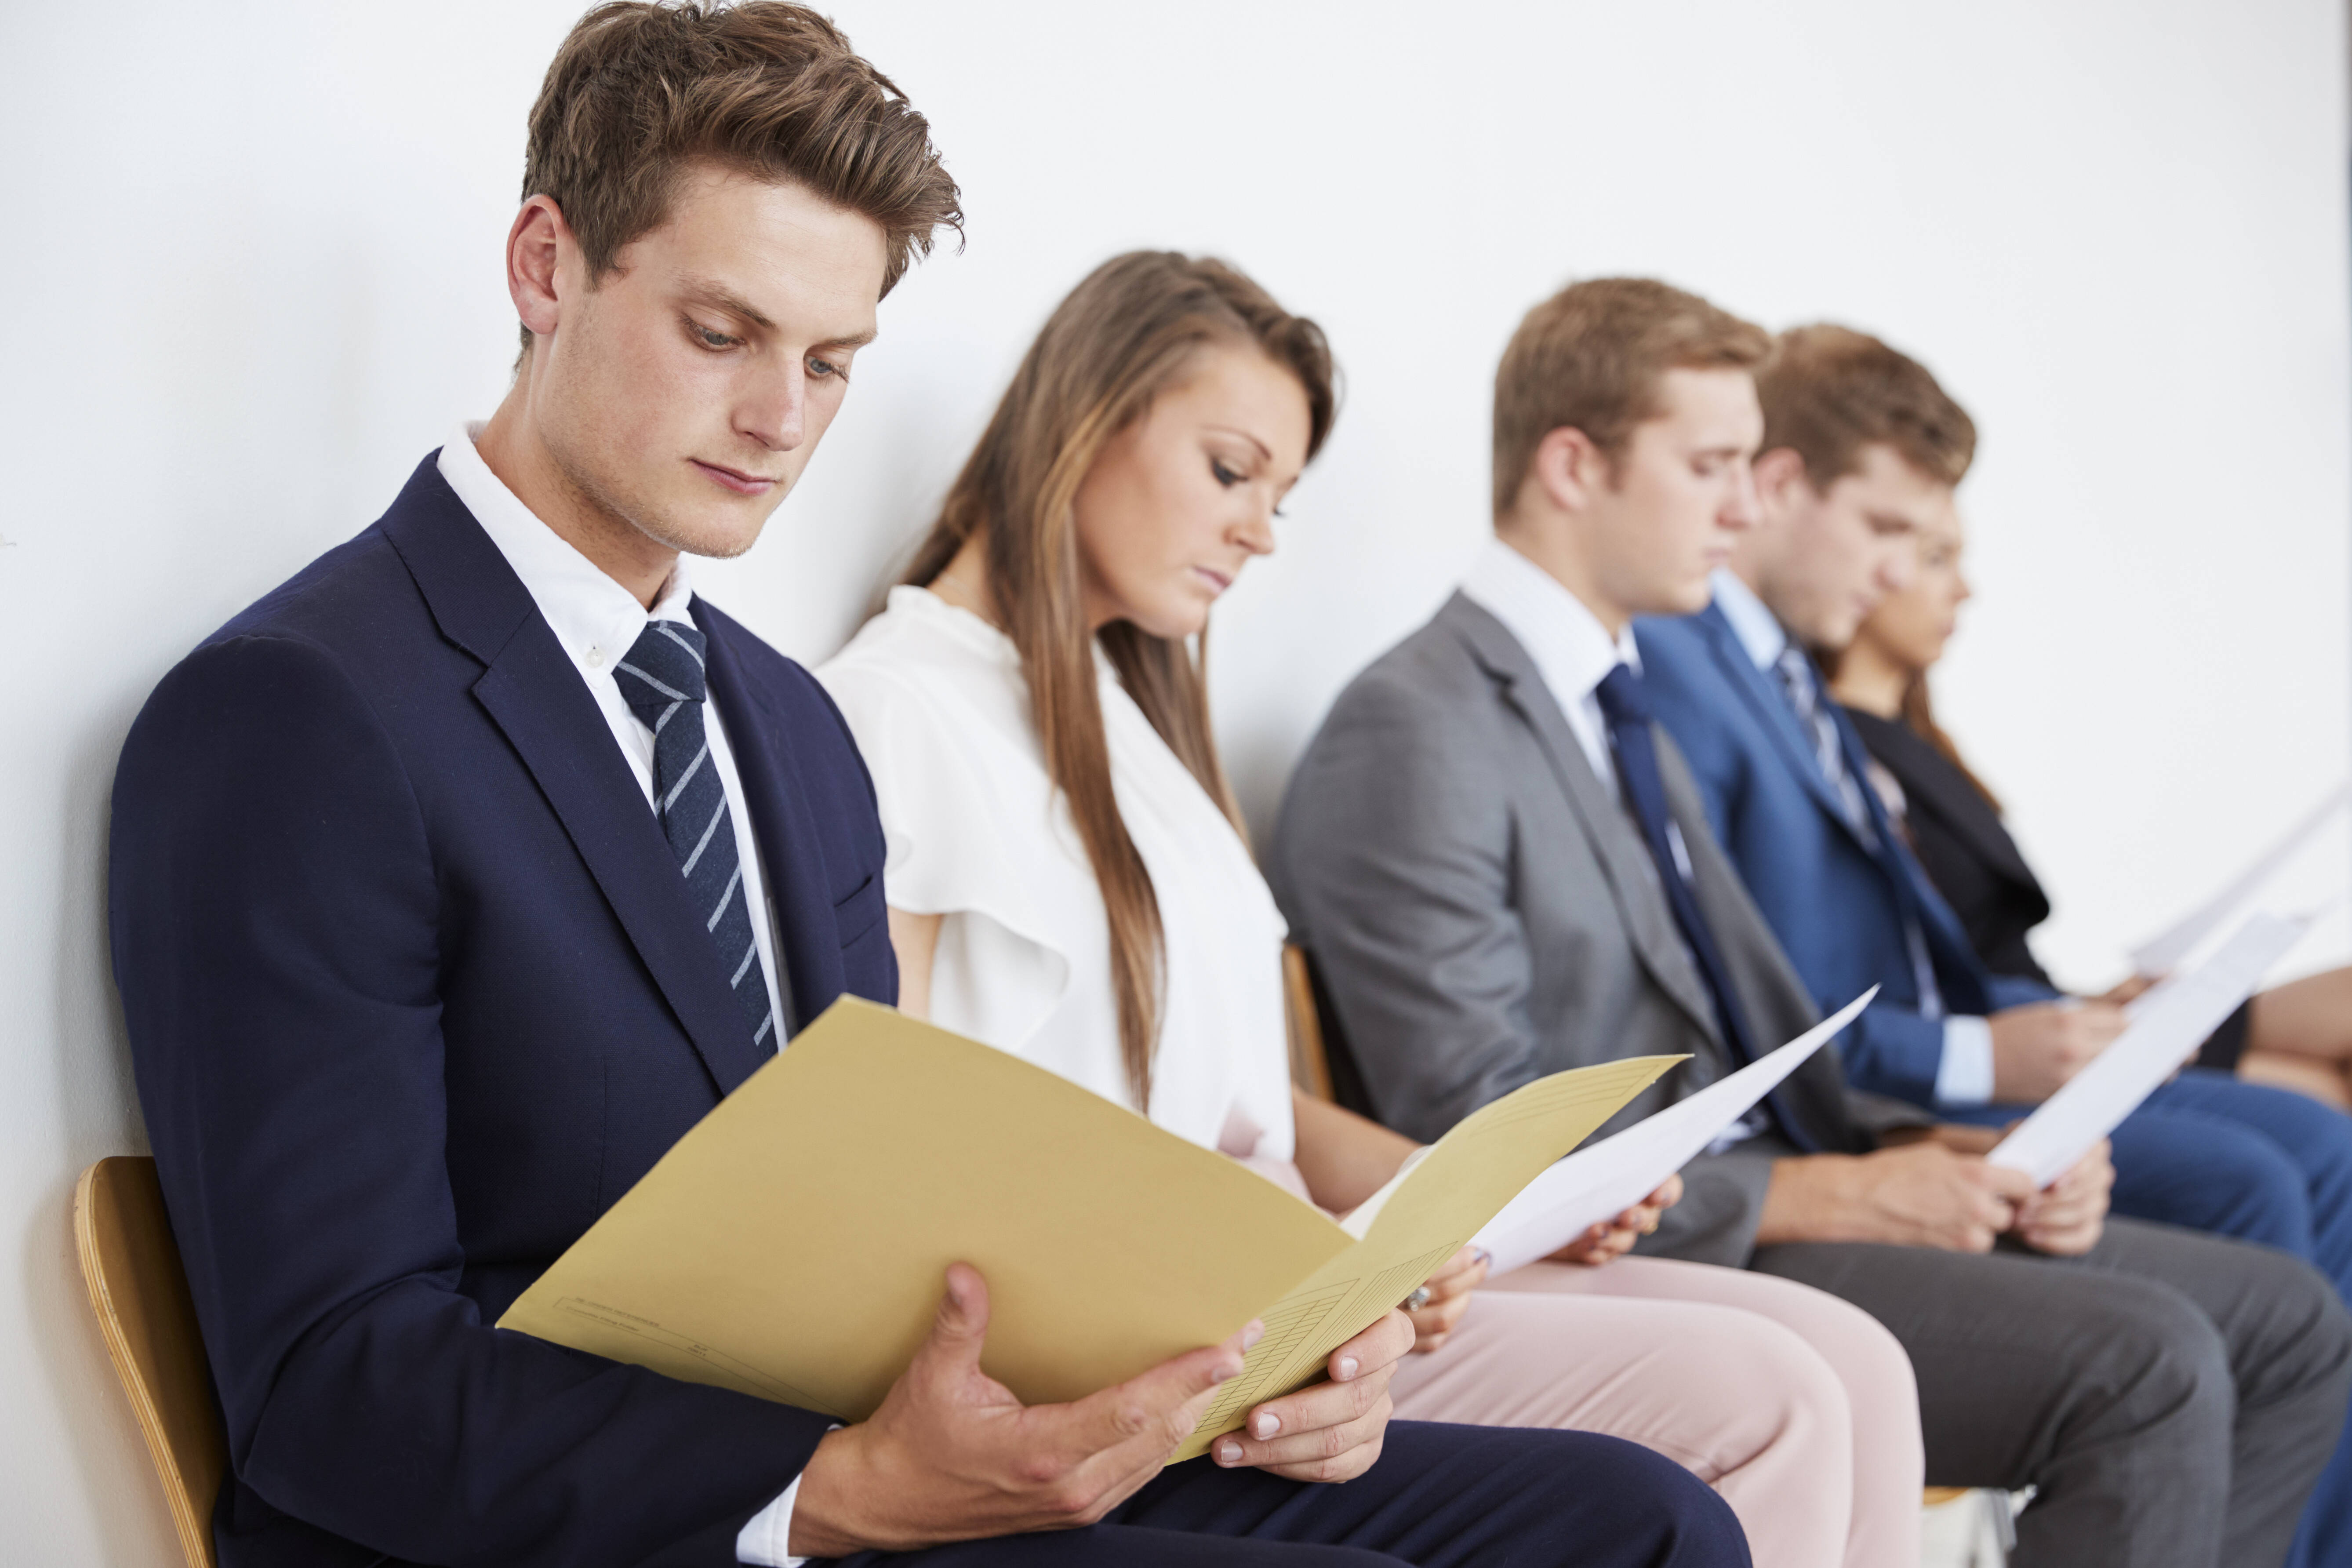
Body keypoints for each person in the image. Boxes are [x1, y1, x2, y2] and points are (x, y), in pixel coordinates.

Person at [102, 10, 1751, 1567]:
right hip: (644, 1515)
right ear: (548, 266)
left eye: (832, 361)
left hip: (895, 1461)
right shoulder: (302, 714)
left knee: (1635, 1520)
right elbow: (333, 1378)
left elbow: (887, 1218)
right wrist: (828, 1486)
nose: (777, 417)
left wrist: (1264, 1350)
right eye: (721, 331)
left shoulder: (781, 726)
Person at [818, 250, 1915, 1568]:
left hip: (1273, 1295)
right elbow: (899, 1160)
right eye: (1232, 471)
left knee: (1840, 1363)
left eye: (1279, 496)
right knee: (1776, 1395)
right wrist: (1315, 1283)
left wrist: (1457, 1208)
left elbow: (1253, 1114)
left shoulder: (1131, 726)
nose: (1261, 533)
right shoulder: (895, 715)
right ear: (1080, 423)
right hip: (1169, 1331)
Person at [1269, 276, 2352, 1568]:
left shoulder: (1609, 705)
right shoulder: (1422, 721)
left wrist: (1958, 1141)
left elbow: (1762, 1023)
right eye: (1713, 465)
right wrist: (1836, 1190)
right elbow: (1471, 1124)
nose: (1746, 507)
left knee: (2289, 1322)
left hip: (1762, 1179)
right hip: (1656, 1234)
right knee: (2151, 1364)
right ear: (1574, 465)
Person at [1631, 319, 2352, 1568]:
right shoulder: (1686, 672)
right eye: (1891, 533)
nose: (1902, 574)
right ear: (1785, 489)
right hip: (1849, 1114)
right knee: (2270, 1177)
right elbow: (1764, 1002)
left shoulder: (1780, 683)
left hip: (1909, 1085)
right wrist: (1974, 1073)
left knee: (2298, 1168)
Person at [1828, 508, 2352, 1112]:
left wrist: (2095, 1004)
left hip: (2057, 1016)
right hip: (2017, 1041)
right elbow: (1929, 975)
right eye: (1938, 559)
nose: (1965, 590)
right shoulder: (1842, 759)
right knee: (2327, 1098)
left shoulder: (1922, 745)